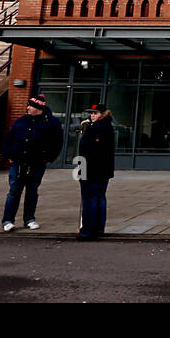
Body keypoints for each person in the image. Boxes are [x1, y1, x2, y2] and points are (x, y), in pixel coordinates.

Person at [0, 94, 63, 232]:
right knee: (14, 190)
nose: (28, 108)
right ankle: (7, 220)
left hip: (37, 162)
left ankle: (29, 219)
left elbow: (57, 142)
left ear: (38, 108)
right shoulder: (21, 121)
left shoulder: (51, 123)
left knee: (32, 191)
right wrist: (8, 155)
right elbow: (9, 139)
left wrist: (48, 157)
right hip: (18, 162)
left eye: (31, 106)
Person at [76, 101, 116, 241]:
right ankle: (98, 228)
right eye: (91, 113)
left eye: (95, 113)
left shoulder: (97, 128)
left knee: (90, 199)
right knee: (99, 197)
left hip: (91, 169)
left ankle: (88, 230)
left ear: (102, 114)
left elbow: (86, 148)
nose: (92, 116)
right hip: (102, 169)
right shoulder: (107, 127)